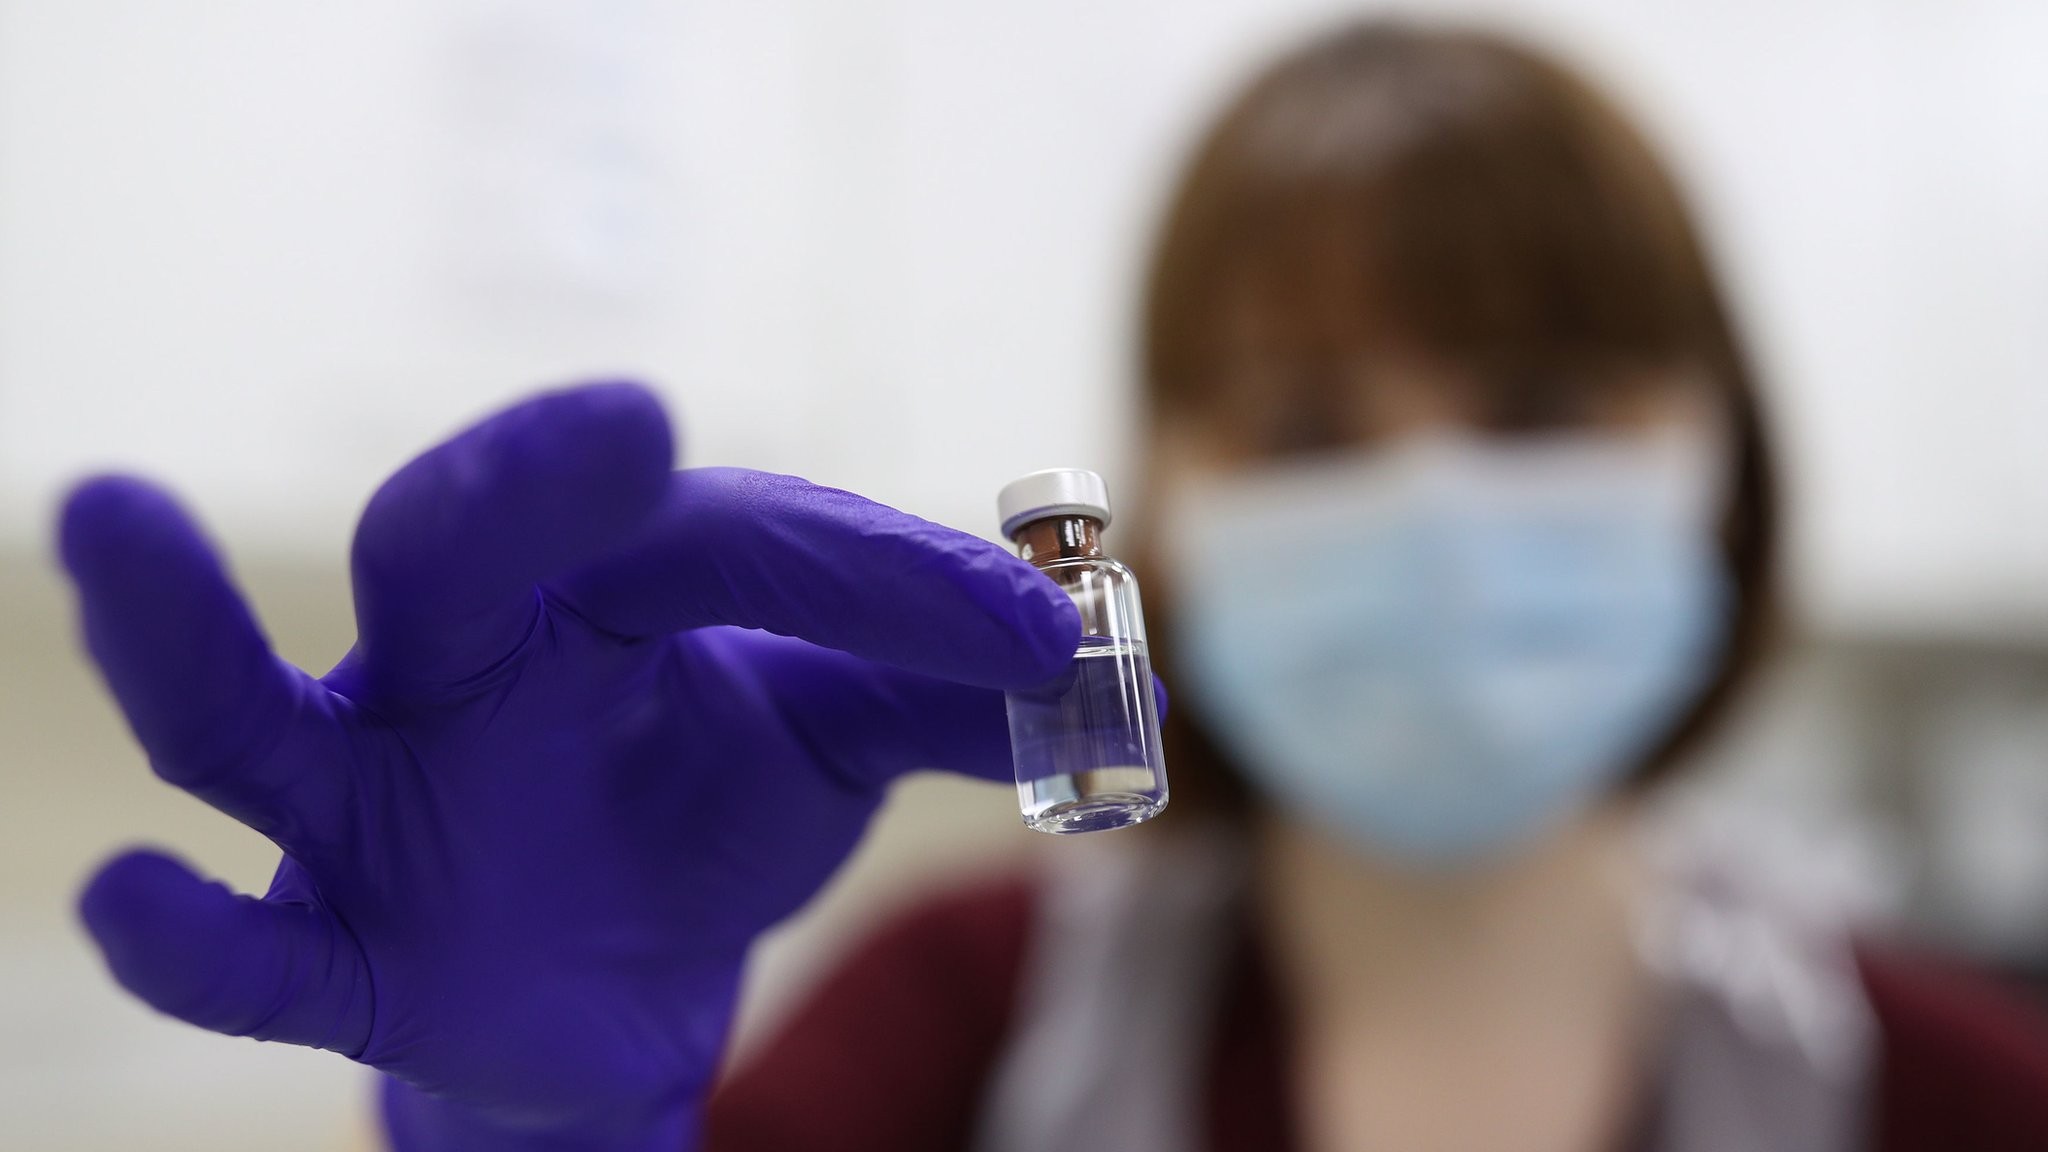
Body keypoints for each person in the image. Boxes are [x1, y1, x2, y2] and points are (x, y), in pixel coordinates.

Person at [61, 18, 2046, 1152]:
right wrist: (532, 1137)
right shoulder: (952, 1026)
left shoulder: (1967, 1097)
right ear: (1163, 497)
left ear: (1728, 461)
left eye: (1536, 401)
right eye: (1304, 424)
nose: (1431, 502)